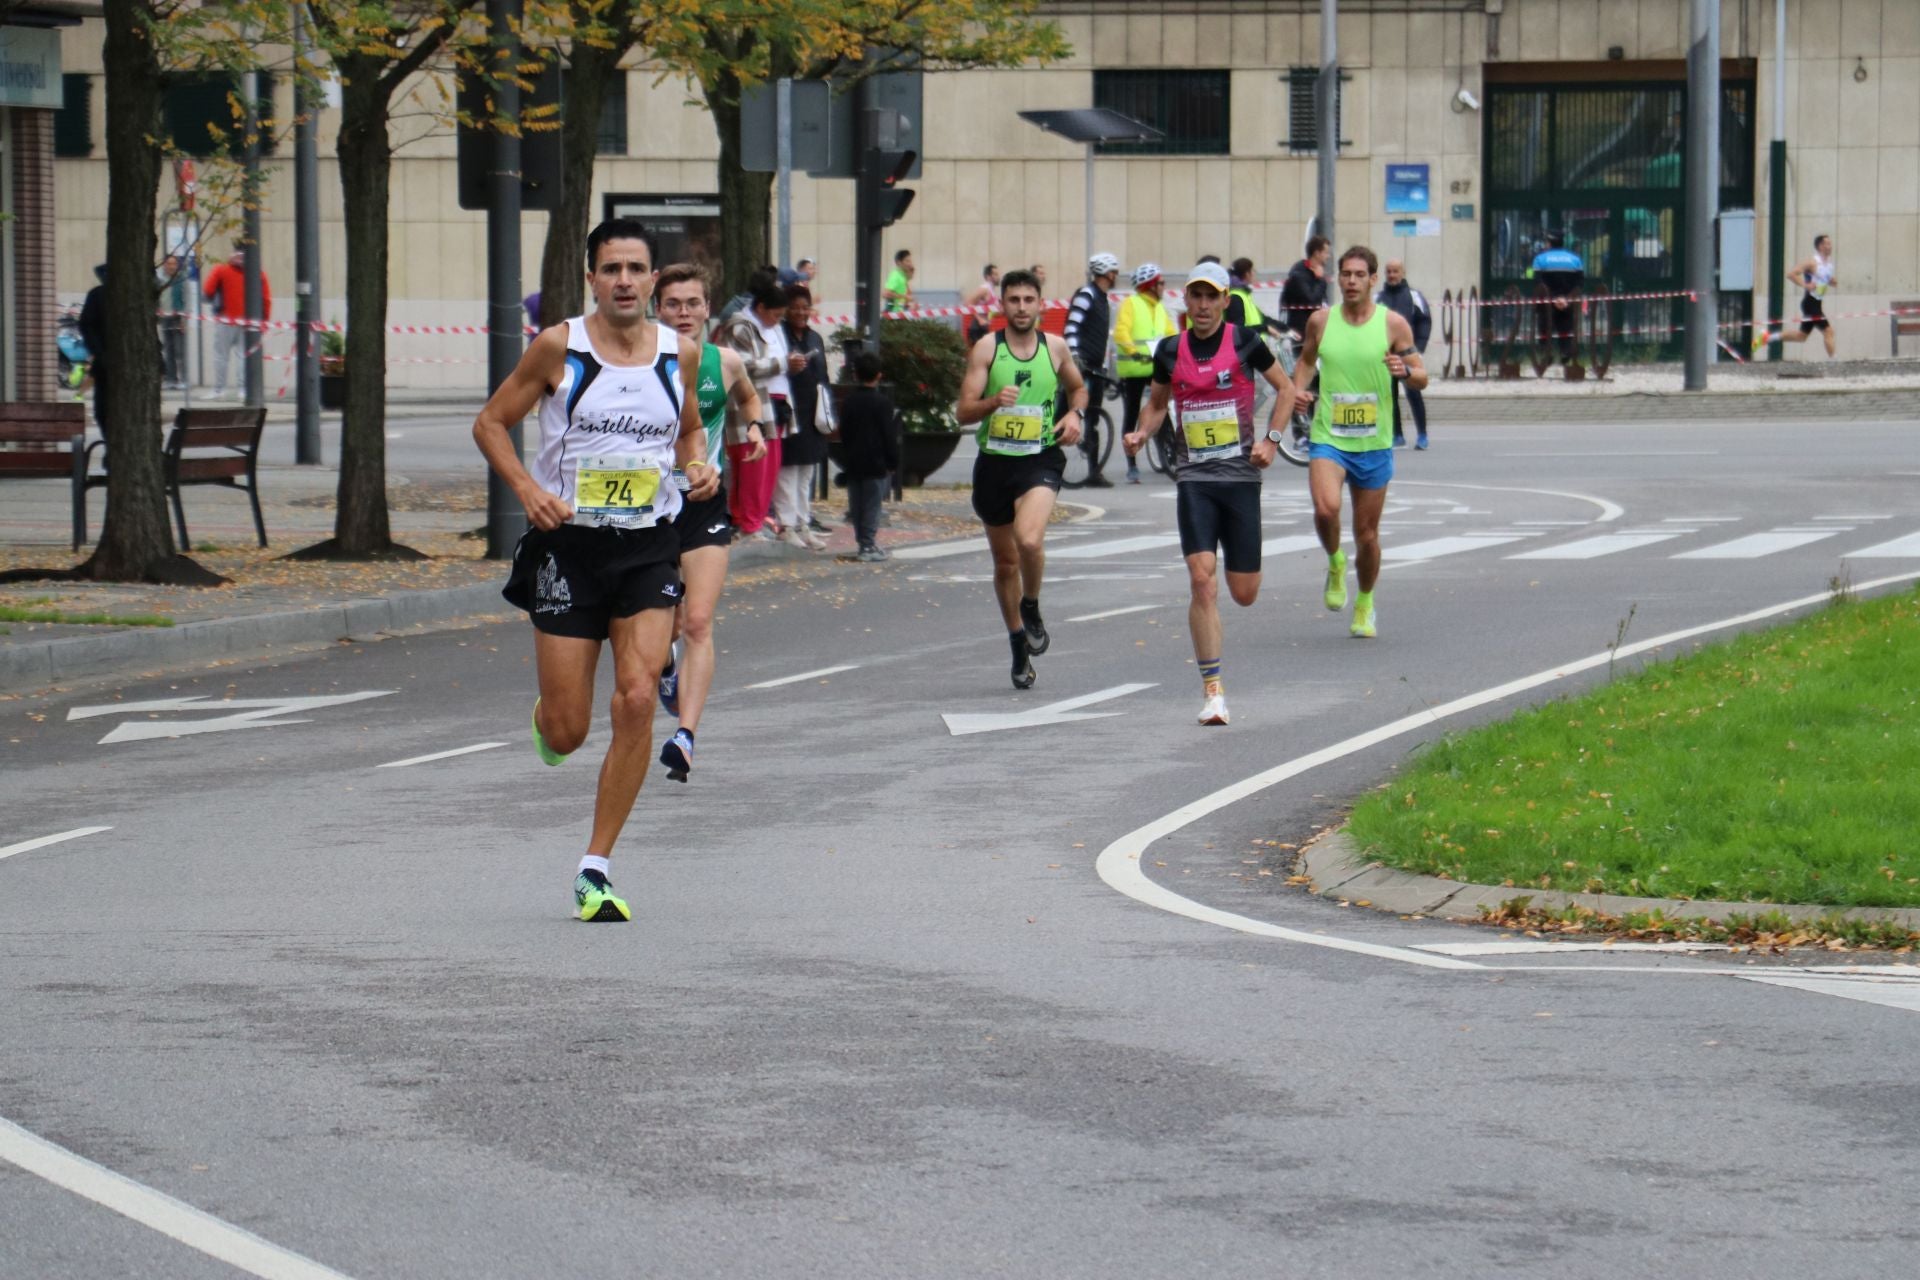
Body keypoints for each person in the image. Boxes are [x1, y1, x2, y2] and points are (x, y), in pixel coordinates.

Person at [471, 218, 719, 923]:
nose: (624, 281)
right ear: (592, 277)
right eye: (611, 269)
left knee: (639, 697)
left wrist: (698, 467)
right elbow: (491, 423)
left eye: (636, 269)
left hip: (647, 545)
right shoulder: (560, 346)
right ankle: (550, 721)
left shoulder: (682, 352)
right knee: (570, 731)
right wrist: (528, 491)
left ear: (652, 277)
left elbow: (690, 430)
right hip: (569, 549)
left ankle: (595, 867)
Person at [1123, 262, 1294, 726]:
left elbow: (1287, 388)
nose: (1201, 305)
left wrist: (1271, 442)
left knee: (1243, 592)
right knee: (1202, 580)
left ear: (1224, 301)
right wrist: (1140, 433)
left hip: (1239, 478)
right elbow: (1157, 405)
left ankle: (1215, 681)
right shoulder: (1170, 350)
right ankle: (1213, 691)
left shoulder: (1244, 342)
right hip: (1194, 478)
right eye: (1194, 296)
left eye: (1210, 297)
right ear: (1187, 301)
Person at [652, 261, 768, 784]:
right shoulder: (640, 362)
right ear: (658, 308)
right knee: (663, 625)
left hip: (703, 505)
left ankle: (685, 737)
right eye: (673, 303)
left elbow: (745, 397)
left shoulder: (725, 361)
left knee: (697, 620)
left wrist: (756, 428)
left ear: (707, 309)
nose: (683, 313)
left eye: (692, 303)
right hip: (647, 511)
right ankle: (666, 667)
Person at [955, 268, 1088, 689]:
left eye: (1029, 300)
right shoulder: (986, 350)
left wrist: (1074, 413)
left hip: (1040, 458)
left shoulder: (1055, 348)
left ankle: (1031, 605)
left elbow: (1079, 389)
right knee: (1005, 562)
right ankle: (1017, 641)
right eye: (1013, 300)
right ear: (1002, 305)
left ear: (1041, 304)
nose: (1022, 308)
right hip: (995, 464)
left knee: (1029, 540)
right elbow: (963, 411)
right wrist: (993, 401)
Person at [1291, 245, 1428, 641]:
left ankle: (1365, 602)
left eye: (1358, 275)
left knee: (1367, 536)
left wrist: (1405, 371)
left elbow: (1422, 376)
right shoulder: (1321, 321)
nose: (1351, 281)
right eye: (1345, 274)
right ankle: (1335, 562)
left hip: (1374, 441)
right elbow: (1305, 361)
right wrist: (1297, 392)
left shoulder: (1393, 325)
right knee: (1324, 508)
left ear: (1372, 280)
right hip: (1329, 437)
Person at [718, 267, 792, 540]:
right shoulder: (740, 325)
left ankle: (756, 519)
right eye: (776, 315)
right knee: (750, 469)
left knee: (766, 467)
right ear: (760, 307)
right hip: (744, 409)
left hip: (764, 404)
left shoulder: (761, 326)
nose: (778, 321)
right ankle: (747, 522)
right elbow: (744, 365)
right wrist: (782, 364)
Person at [775, 282, 831, 550]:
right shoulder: (779, 336)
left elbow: (824, 376)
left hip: (813, 412)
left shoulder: (815, 338)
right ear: (786, 310)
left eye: (805, 307)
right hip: (789, 411)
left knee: (807, 472)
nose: (800, 312)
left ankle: (803, 523)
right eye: (795, 308)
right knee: (787, 471)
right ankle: (786, 525)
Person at [1112, 263, 1174, 484]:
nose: (1164, 287)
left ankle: (1168, 451)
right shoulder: (1131, 303)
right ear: (1150, 285)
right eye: (1161, 283)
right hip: (1134, 367)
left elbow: (1170, 333)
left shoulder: (1159, 307)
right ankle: (1132, 464)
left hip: (1155, 366)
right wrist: (1133, 351)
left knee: (1161, 406)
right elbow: (1121, 332)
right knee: (1131, 412)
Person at [1063, 253, 1120, 487]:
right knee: (1067, 412)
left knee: (1094, 418)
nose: (1116, 275)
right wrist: (1075, 356)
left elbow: (1102, 338)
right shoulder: (1087, 295)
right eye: (1114, 271)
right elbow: (1071, 326)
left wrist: (1105, 367)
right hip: (1081, 366)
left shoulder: (1103, 298)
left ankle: (1094, 472)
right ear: (1106, 273)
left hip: (1096, 366)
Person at [838, 350, 900, 562]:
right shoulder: (882, 403)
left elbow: (844, 431)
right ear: (879, 375)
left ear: (855, 375)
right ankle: (868, 544)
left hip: (854, 460)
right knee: (873, 504)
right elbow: (888, 434)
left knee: (856, 504)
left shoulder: (849, 401)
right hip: (877, 462)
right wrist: (893, 461)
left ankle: (861, 541)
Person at [1376, 259, 1433, 449]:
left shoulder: (1414, 296)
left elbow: (1425, 321)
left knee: (1414, 394)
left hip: (1408, 356)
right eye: (1389, 271)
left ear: (1403, 273)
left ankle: (1422, 435)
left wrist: (1419, 349)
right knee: (1390, 396)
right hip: (1386, 357)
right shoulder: (1378, 298)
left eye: (1396, 271)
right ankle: (1397, 435)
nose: (1392, 275)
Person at [202, 247, 270, 399]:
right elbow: (266, 299)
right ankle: (243, 389)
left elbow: (208, 290)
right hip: (248, 322)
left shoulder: (221, 269)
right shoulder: (258, 274)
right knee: (243, 356)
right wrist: (264, 321)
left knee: (221, 356)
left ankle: (219, 390)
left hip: (225, 319)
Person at [1773, 234, 1838, 358]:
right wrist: (1805, 284)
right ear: (1820, 246)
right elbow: (1791, 274)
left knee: (1801, 336)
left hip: (1817, 303)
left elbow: (1826, 279)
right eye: (1827, 244)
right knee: (1828, 331)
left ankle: (1768, 337)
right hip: (1810, 303)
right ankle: (1833, 362)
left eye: (1830, 244)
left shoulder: (1829, 265)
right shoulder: (1812, 262)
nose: (1830, 247)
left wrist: (1832, 282)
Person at [1529, 232, 1585, 366]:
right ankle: (1565, 352)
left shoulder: (1540, 259)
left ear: (1549, 243)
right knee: (1565, 327)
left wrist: (1553, 299)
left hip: (1547, 301)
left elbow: (1538, 282)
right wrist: (1566, 299)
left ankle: (1546, 352)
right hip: (1568, 300)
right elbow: (1580, 283)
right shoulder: (1575, 259)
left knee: (1544, 327)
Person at [77, 264, 109, 431]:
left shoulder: (97, 295)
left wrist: (97, 351)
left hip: (104, 364)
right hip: (107, 364)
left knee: (103, 410)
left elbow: (85, 325)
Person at [1281, 235, 1331, 338]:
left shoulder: (1317, 272)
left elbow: (1322, 300)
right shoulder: (1299, 274)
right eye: (1326, 253)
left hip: (1316, 327)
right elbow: (1311, 299)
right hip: (1301, 331)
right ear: (1317, 253)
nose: (1328, 256)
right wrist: (1320, 280)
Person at [158, 255, 189, 390]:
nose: (171, 267)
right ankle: (171, 379)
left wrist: (184, 320)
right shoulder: (160, 281)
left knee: (180, 351)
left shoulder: (181, 280)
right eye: (168, 264)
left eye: (174, 264)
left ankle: (184, 379)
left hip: (178, 318)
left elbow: (187, 300)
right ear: (164, 265)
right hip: (165, 318)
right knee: (168, 350)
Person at [1225, 257, 1272, 336]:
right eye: (1253, 271)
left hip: (1251, 345)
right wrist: (1264, 329)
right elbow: (1237, 330)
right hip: (1245, 346)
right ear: (1247, 274)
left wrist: (1285, 328)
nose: (1254, 274)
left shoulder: (1244, 294)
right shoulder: (1236, 297)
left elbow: (1262, 318)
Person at [964, 264, 1000, 345]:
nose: (998, 277)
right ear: (988, 277)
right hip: (977, 328)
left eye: (998, 274)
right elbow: (967, 303)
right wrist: (980, 319)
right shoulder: (984, 289)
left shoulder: (991, 290)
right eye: (996, 274)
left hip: (986, 326)